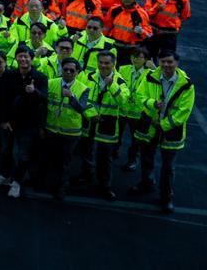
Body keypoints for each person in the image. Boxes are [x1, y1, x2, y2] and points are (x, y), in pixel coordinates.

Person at [129, 51, 195, 214]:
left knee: (168, 166)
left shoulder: (186, 84)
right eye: (163, 62)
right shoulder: (149, 76)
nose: (166, 65)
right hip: (150, 125)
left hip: (170, 129)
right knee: (146, 158)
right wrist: (152, 103)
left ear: (177, 63)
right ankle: (147, 182)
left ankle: (166, 196)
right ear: (158, 62)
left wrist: (163, 124)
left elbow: (184, 111)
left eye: (169, 62)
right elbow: (139, 96)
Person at [0, 50, 49, 199]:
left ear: (32, 59)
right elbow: (3, 98)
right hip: (9, 122)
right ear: (15, 58)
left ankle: (16, 182)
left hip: (28, 123)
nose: (23, 59)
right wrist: (3, 120)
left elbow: (44, 99)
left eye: (26, 56)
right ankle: (4, 175)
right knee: (6, 151)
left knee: (21, 155)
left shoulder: (40, 77)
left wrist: (34, 92)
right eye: (20, 56)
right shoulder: (10, 75)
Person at [79, 50, 128, 201]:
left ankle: (104, 185)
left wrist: (112, 85)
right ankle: (86, 176)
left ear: (113, 64)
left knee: (105, 157)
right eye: (101, 62)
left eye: (107, 63)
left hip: (107, 124)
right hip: (90, 121)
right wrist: (91, 113)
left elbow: (123, 101)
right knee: (86, 152)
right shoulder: (88, 76)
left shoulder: (119, 81)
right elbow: (81, 97)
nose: (104, 66)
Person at [42, 57, 90, 201]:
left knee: (65, 162)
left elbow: (82, 109)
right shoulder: (50, 83)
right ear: (61, 69)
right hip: (51, 129)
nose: (68, 72)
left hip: (70, 133)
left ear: (77, 72)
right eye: (65, 69)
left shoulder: (83, 88)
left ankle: (61, 188)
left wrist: (72, 97)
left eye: (72, 70)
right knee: (49, 158)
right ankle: (45, 183)